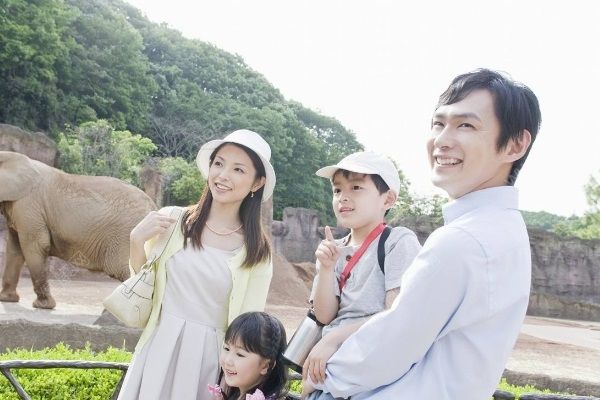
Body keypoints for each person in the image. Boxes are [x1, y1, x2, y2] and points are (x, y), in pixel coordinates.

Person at [303, 68, 541, 399]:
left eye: (466, 125)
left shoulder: (460, 241)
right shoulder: (505, 230)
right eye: (438, 123)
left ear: (515, 144)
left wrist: (322, 379)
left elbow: (390, 344)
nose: (442, 140)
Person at [118, 129, 276, 400]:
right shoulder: (172, 221)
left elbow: (249, 326)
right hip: (158, 346)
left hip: (211, 361)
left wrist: (234, 384)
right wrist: (136, 241)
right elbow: (143, 287)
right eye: (219, 163)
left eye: (238, 169)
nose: (223, 175)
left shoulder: (257, 252)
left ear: (257, 183)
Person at [303, 151, 422, 400]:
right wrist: (325, 268)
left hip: (367, 376)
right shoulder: (333, 246)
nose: (343, 197)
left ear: (387, 199)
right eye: (337, 190)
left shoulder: (397, 241)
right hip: (329, 374)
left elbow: (397, 313)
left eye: (356, 187)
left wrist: (333, 339)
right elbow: (325, 315)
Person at [207, 312, 289, 400]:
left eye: (240, 354)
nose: (227, 360)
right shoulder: (236, 392)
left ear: (265, 366)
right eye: (227, 349)